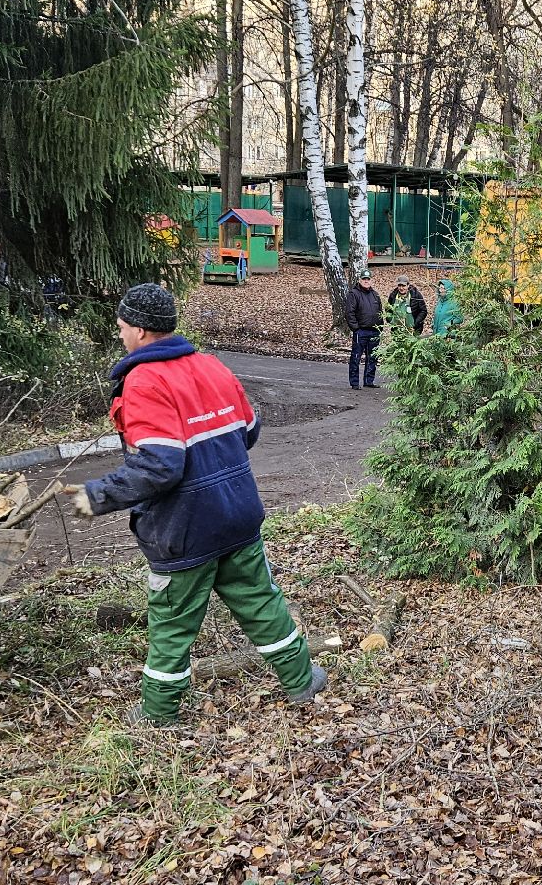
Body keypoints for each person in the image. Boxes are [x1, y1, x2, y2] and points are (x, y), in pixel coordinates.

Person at [65, 283, 328, 725]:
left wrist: (97, 495)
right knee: (262, 603)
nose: (121, 334)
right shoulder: (212, 366)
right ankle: (302, 679)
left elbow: (159, 466)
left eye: (123, 327)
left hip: (184, 529)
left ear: (143, 331)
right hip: (237, 514)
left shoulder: (144, 381)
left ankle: (156, 715)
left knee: (171, 625)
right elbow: (249, 430)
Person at [344, 271, 383, 388]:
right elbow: (349, 313)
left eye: (368, 279)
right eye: (364, 279)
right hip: (361, 331)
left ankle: (369, 381)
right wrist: (355, 328)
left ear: (371, 280)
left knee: (372, 357)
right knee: (356, 357)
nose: (366, 281)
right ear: (360, 280)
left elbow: (380, 312)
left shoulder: (375, 295)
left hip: (374, 331)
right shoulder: (354, 294)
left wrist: (380, 327)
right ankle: (354, 382)